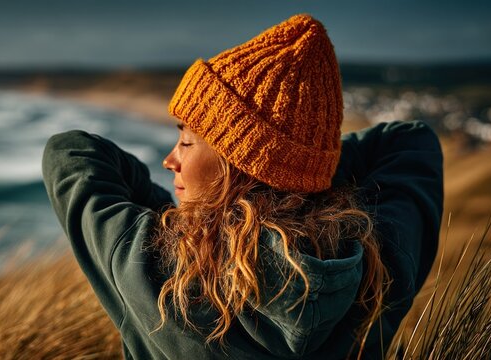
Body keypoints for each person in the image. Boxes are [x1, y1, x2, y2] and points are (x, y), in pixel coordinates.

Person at [42, 14, 444, 359]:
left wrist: (188, 216)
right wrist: (304, 167)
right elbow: (411, 140)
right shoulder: (380, 263)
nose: (170, 160)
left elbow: (70, 153)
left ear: (245, 167)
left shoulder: (151, 268)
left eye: (185, 141)